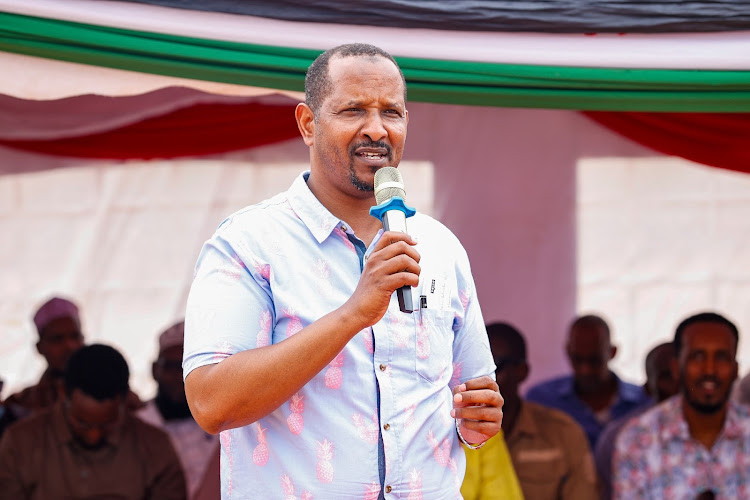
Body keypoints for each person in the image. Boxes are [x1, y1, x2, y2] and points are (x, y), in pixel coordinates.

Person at [183, 43, 502, 499]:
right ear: (308, 124)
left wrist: (479, 417)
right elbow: (211, 403)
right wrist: (353, 314)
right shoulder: (248, 244)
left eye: (391, 112)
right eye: (353, 110)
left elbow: (473, 396)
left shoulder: (440, 247)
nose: (376, 129)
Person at [0, 344, 187, 500]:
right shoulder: (21, 443)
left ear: (125, 400)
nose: (93, 435)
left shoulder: (155, 446)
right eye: (82, 423)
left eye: (106, 424)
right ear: (63, 392)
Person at [612, 312, 750, 499]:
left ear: (735, 370)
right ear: (677, 368)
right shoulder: (639, 440)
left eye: (721, 357)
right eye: (698, 357)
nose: (709, 370)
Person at [463, 322, 597, 500]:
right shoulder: (458, 433)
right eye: (475, 366)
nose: (481, 377)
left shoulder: (563, 432)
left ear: (522, 372)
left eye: (495, 367)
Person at [525, 314, 650, 449]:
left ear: (612, 352)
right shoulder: (543, 400)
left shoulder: (643, 401)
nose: (586, 370)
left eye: (594, 360)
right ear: (567, 352)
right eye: (577, 359)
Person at [137, 321, 219, 499]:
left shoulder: (220, 419)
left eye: (187, 367)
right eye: (171, 366)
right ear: (154, 370)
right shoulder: (138, 424)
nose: (179, 377)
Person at [594, 341, 678, 500]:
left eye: (683, 374)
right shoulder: (622, 437)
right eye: (667, 377)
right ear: (647, 388)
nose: (679, 385)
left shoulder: (731, 430)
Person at [3, 297, 85, 421]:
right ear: (39, 348)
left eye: (75, 336)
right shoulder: (20, 404)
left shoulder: (111, 394)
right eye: (57, 339)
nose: (69, 346)